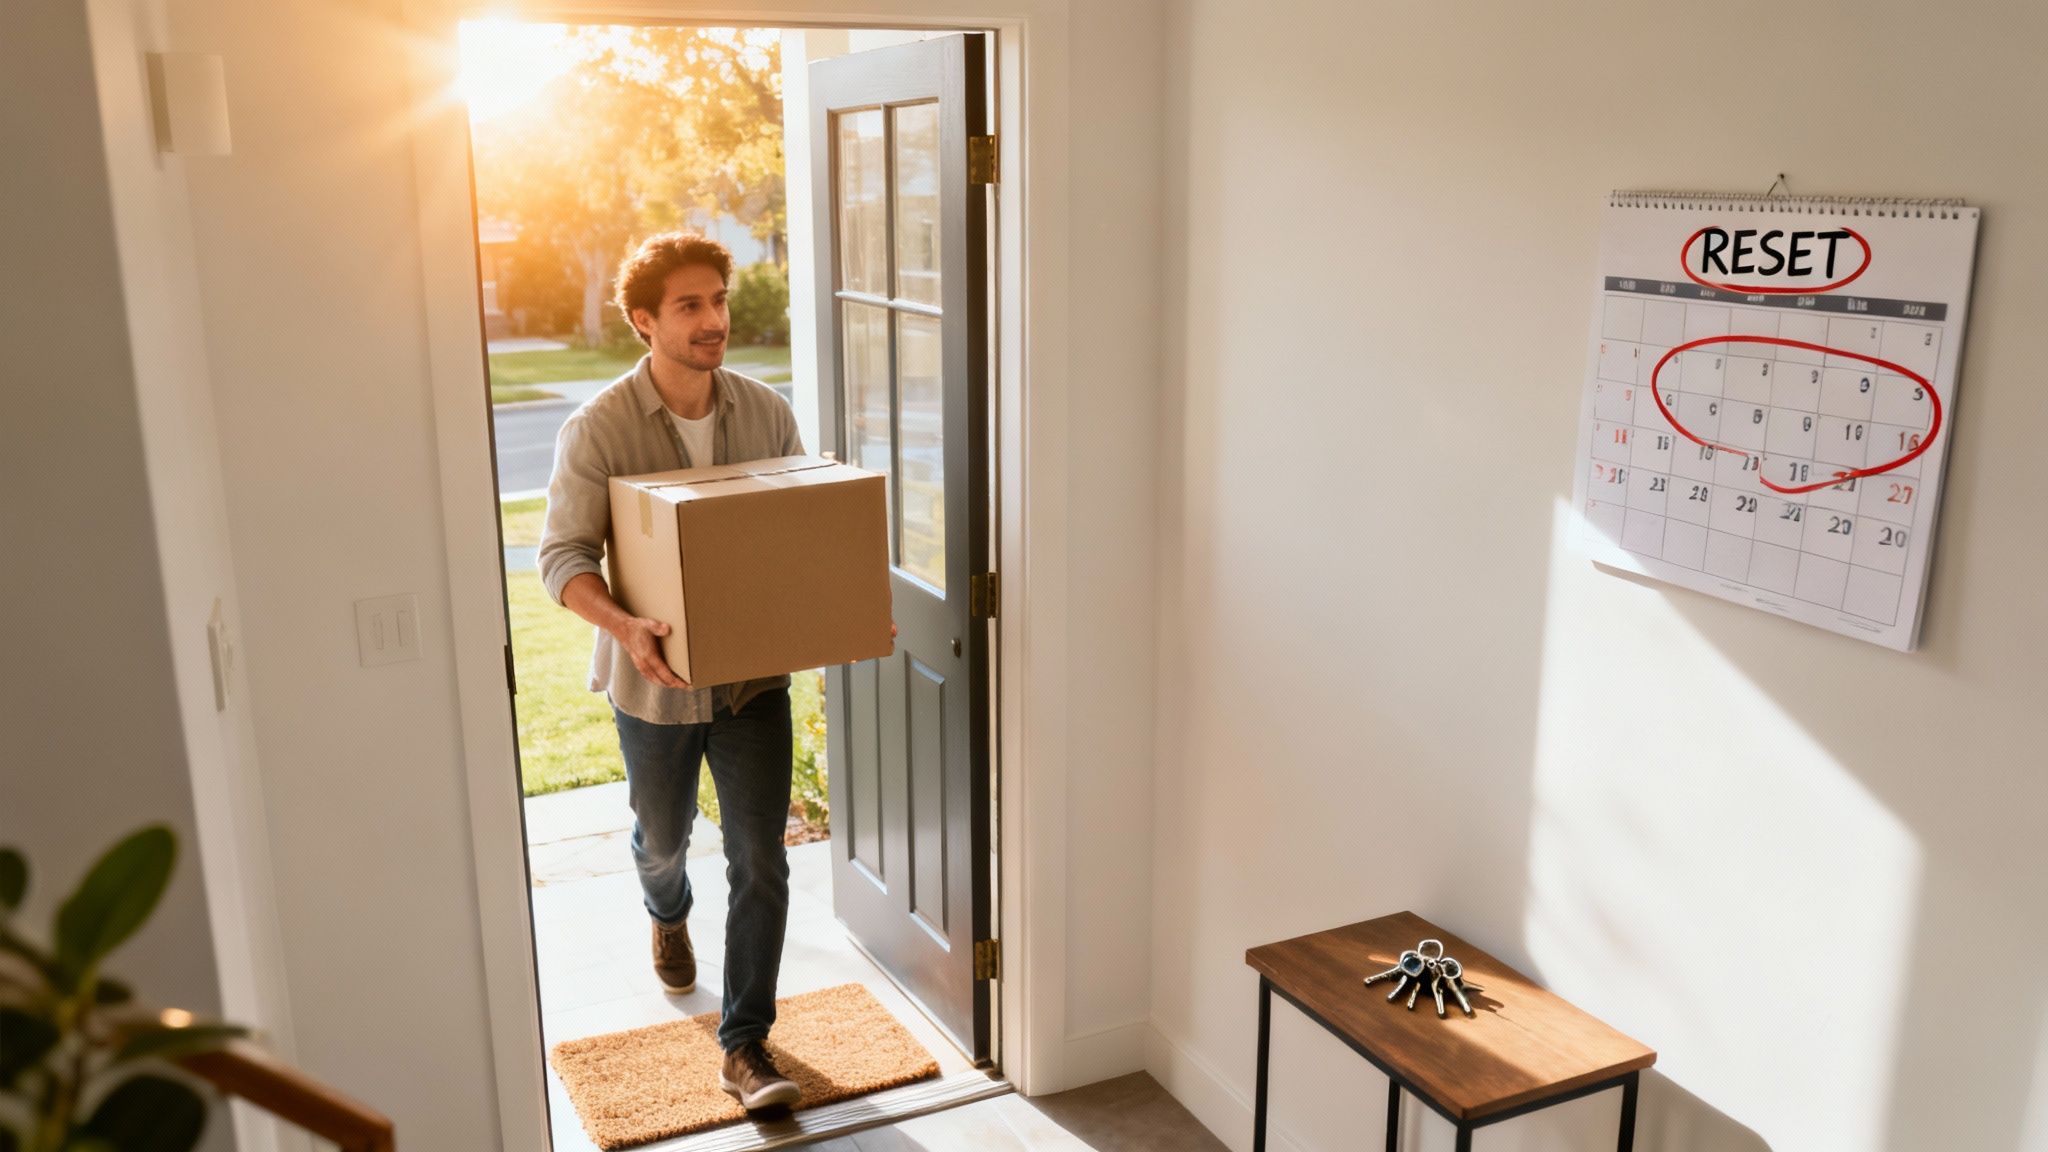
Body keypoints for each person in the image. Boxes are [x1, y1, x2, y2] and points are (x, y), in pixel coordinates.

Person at [535, 231, 805, 1110]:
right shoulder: (600, 427)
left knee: (761, 856)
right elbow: (563, 558)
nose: (714, 320)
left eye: (719, 301)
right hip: (651, 686)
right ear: (645, 320)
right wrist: (624, 626)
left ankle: (745, 1047)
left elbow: (801, 534)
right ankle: (666, 912)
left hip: (752, 684)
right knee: (663, 839)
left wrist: (828, 604)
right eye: (691, 306)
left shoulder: (766, 412)